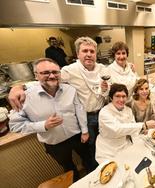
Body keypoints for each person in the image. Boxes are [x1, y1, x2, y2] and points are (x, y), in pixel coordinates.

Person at [9, 37, 109, 171]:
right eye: (85, 51)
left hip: (102, 112)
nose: (89, 54)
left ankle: (105, 167)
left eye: (92, 51)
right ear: (78, 54)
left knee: (105, 143)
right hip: (86, 117)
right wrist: (18, 87)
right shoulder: (69, 71)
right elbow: (48, 78)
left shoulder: (102, 69)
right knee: (91, 149)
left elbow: (110, 83)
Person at [8, 58, 91, 181]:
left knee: (89, 160)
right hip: (54, 143)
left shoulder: (70, 90)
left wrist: (84, 130)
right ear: (36, 76)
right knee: (69, 169)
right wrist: (43, 125)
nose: (52, 76)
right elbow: (15, 125)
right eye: (45, 73)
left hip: (77, 136)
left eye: (55, 72)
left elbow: (79, 110)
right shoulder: (25, 97)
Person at [95, 83, 155, 163]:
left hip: (125, 145)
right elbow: (117, 129)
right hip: (108, 150)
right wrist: (143, 125)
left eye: (124, 96)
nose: (121, 99)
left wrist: (142, 143)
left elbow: (133, 131)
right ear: (111, 98)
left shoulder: (128, 110)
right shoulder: (104, 112)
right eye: (117, 96)